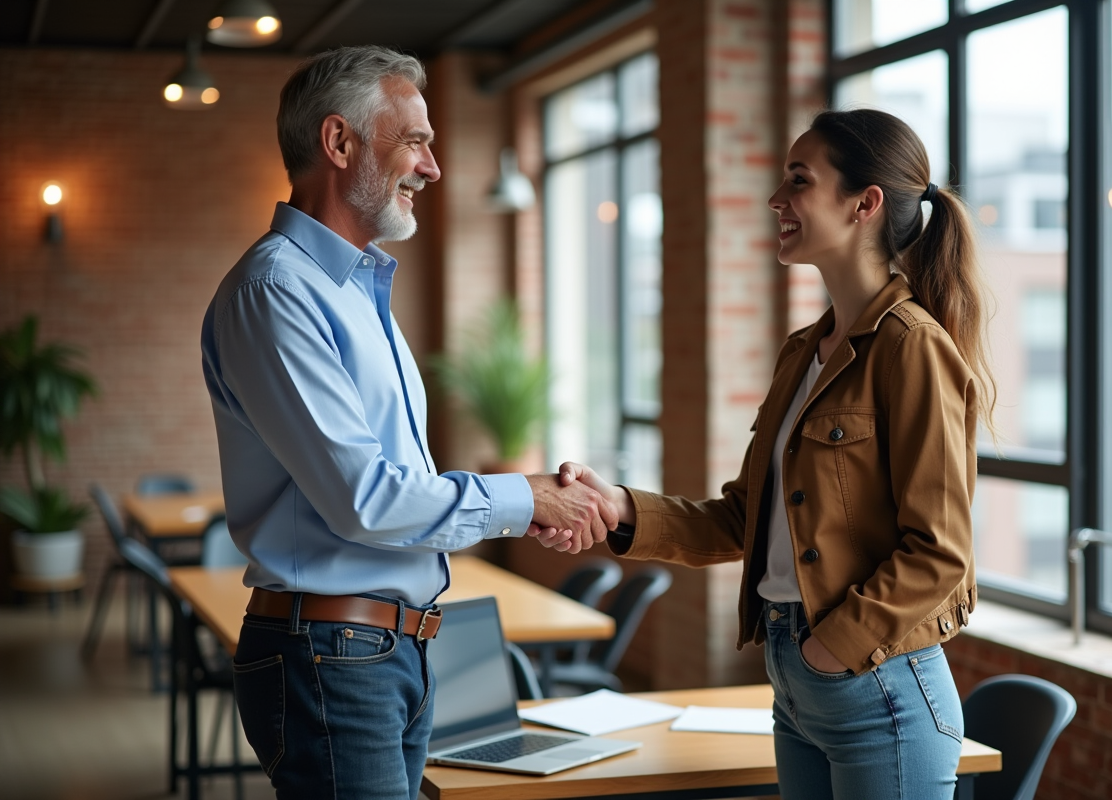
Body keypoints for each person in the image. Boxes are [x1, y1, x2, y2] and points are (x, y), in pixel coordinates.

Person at [200, 46, 616, 800]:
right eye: (416, 140)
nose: (433, 168)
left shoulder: (359, 292)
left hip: (391, 646)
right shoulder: (277, 291)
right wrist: (526, 498)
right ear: (339, 143)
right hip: (333, 650)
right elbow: (368, 499)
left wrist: (530, 506)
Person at [555, 108, 995, 799]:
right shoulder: (804, 353)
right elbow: (743, 518)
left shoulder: (912, 346)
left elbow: (940, 553)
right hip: (797, 687)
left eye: (799, 180)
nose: (776, 200)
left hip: (875, 689)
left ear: (864, 204)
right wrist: (618, 507)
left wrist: (831, 651)